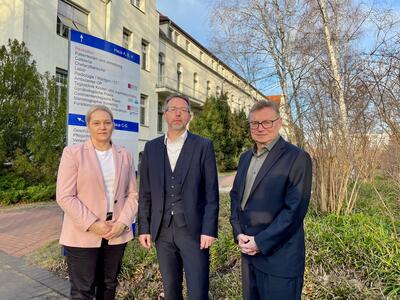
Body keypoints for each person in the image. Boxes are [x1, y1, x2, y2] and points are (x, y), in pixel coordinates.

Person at [138, 93, 219, 300]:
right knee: (170, 290)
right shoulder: (151, 148)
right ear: (165, 114)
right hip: (162, 231)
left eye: (183, 110)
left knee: (198, 291)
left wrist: (209, 230)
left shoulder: (203, 146)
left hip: (193, 231)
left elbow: (211, 192)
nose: (177, 114)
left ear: (189, 116)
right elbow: (145, 192)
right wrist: (144, 228)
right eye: (173, 109)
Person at [230, 100, 312, 300]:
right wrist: (238, 232)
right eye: (254, 123)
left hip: (280, 260)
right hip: (249, 256)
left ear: (279, 122)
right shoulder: (245, 158)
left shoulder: (297, 157)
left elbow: (295, 210)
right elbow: (236, 197)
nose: (260, 128)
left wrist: (260, 241)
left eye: (266, 122)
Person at [56, 105, 138, 300]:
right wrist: (93, 224)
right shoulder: (73, 153)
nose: (102, 127)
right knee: (82, 290)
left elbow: (133, 194)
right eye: (97, 123)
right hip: (83, 231)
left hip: (116, 232)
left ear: (113, 126)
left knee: (108, 285)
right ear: (88, 126)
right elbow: (65, 196)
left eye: (107, 122)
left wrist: (122, 223)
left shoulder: (125, 155)